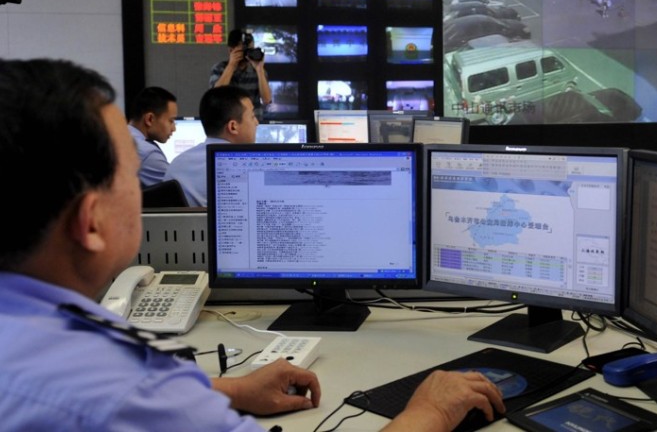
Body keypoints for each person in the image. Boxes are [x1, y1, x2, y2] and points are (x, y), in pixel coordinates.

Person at [0, 58, 505, 432]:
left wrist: (228, 389)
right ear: (91, 222)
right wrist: (432, 411)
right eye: (133, 175)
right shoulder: (122, 388)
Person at [166, 85, 258, 207]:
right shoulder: (248, 169)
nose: (257, 123)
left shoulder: (176, 165)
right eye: (252, 116)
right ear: (233, 127)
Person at [209, 28, 272, 121]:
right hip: (227, 125)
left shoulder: (258, 71)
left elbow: (267, 100)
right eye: (244, 50)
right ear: (231, 50)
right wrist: (231, 66)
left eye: (251, 50)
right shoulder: (219, 68)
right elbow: (216, 95)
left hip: (252, 125)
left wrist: (259, 69)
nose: (247, 54)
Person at [126, 86, 178, 187]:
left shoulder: (122, 136)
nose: (174, 128)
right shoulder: (147, 154)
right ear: (149, 119)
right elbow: (180, 193)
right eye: (171, 121)